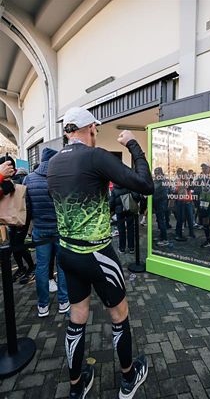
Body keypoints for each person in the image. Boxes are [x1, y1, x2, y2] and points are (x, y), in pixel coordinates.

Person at [47, 106, 154, 399]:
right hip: (97, 254)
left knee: (77, 316)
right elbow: (146, 185)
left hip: (67, 253)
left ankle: (76, 386)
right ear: (90, 129)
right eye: (95, 129)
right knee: (119, 314)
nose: (96, 133)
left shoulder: (53, 163)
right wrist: (133, 144)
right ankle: (129, 379)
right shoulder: (95, 156)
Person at [23, 148, 69, 317]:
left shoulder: (29, 179)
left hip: (40, 230)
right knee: (62, 266)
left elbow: (27, 208)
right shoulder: (60, 179)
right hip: (59, 230)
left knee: (41, 267)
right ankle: (64, 301)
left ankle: (43, 305)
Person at [9, 167, 35, 284]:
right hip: (18, 217)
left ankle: (28, 267)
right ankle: (23, 267)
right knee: (15, 244)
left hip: (17, 217)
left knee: (17, 244)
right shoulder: (16, 179)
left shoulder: (17, 180)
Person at [109, 184, 140, 254]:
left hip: (119, 211)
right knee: (130, 228)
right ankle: (131, 248)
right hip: (129, 209)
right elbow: (136, 196)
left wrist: (112, 211)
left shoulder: (114, 189)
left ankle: (122, 248)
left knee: (121, 230)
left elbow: (111, 202)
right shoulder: (128, 185)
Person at [153, 167, 169, 246]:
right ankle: (161, 236)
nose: (156, 175)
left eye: (157, 173)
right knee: (159, 221)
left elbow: (164, 195)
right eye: (155, 173)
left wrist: (153, 198)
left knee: (161, 221)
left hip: (161, 204)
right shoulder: (156, 181)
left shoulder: (164, 181)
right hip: (156, 203)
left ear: (161, 173)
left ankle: (165, 239)